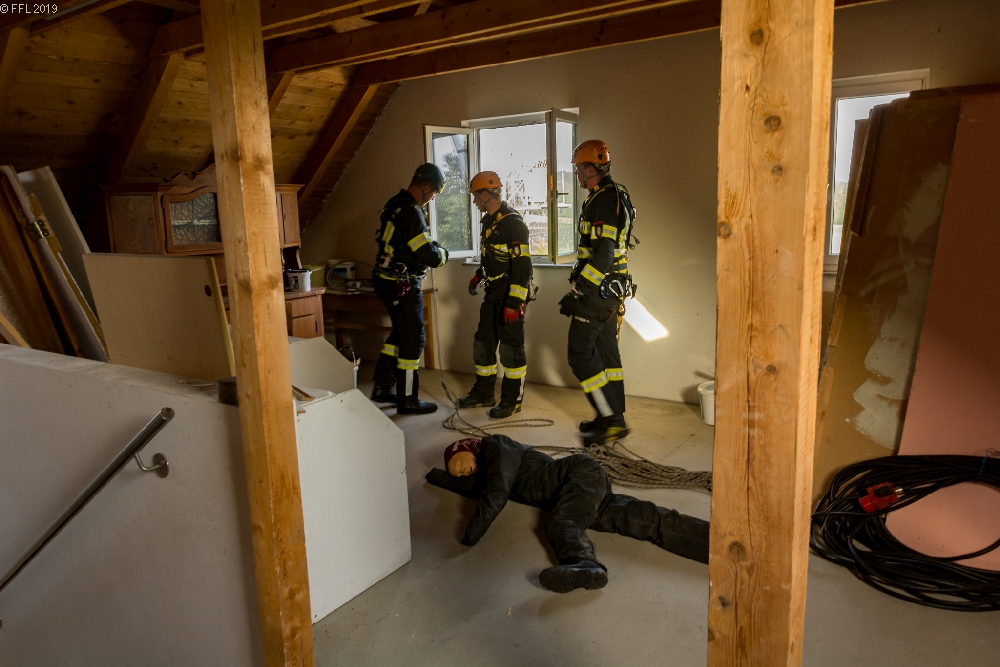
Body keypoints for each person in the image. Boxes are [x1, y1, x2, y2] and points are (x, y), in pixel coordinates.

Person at [425, 435, 709, 594]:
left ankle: (584, 563)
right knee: (640, 518)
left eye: (458, 465)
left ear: (465, 447)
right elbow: (472, 486)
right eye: (457, 474)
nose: (460, 472)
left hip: (576, 474)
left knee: (563, 523)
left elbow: (496, 493)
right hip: (572, 491)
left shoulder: (497, 447)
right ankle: (713, 541)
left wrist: (471, 535)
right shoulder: (487, 471)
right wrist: (435, 475)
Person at [559, 139, 637, 445]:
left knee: (579, 354)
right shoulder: (612, 194)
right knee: (607, 355)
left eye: (579, 169)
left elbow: (604, 255)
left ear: (591, 169)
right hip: (610, 288)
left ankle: (611, 421)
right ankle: (611, 417)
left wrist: (578, 291)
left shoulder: (604, 200)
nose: (577, 175)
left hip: (599, 291)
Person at [370, 163, 449, 414]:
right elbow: (428, 255)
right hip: (401, 285)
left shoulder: (395, 204)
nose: (432, 198)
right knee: (413, 340)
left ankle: (383, 387)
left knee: (400, 335)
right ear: (425, 186)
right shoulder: (411, 212)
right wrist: (443, 254)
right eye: (434, 193)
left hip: (387, 281)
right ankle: (408, 399)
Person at [456, 171, 533, 419]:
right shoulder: (489, 222)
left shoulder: (513, 223)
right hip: (492, 294)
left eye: (475, 196)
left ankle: (512, 400)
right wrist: (479, 275)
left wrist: (514, 302)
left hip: (509, 295)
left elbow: (523, 268)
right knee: (483, 343)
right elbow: (494, 258)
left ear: (486, 195)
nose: (474, 201)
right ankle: (484, 394)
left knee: (511, 349)